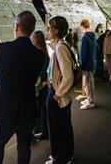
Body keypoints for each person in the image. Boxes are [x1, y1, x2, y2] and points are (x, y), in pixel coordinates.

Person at [0, 11, 45, 164]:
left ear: (17, 26)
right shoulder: (39, 55)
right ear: (32, 30)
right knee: (24, 146)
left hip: (6, 109)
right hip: (28, 108)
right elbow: (33, 76)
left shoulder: (2, 48)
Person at [46, 16, 74, 164]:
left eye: (50, 28)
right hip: (59, 91)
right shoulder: (61, 45)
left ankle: (60, 158)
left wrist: (56, 95)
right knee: (63, 126)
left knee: (57, 128)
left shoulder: (60, 48)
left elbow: (68, 76)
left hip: (57, 92)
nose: (48, 31)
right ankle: (65, 156)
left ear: (56, 30)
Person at [31, 31, 50, 140]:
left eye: (33, 39)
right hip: (43, 86)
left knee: (40, 109)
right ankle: (42, 130)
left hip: (39, 86)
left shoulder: (39, 54)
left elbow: (40, 73)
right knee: (41, 108)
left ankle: (42, 131)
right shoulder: (45, 54)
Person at [78, 19, 97, 110]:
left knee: (88, 84)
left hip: (87, 65)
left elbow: (83, 54)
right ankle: (89, 99)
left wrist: (81, 65)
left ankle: (90, 102)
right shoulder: (93, 37)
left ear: (83, 26)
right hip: (92, 63)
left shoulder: (85, 38)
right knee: (88, 83)